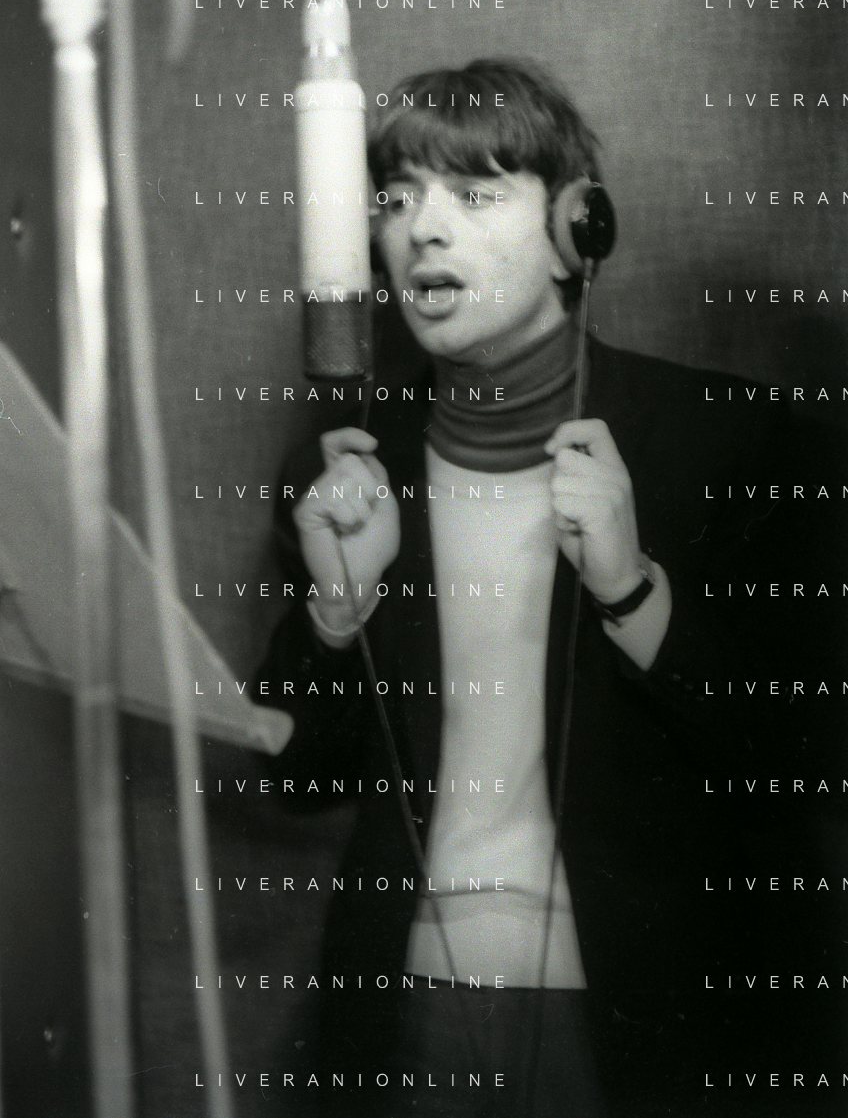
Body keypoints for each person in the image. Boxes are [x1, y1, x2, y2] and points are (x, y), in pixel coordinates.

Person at [255, 59, 800, 1117]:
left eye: (472, 193)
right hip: (407, 1004)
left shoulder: (726, 438)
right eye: (397, 198)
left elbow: (796, 760)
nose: (421, 230)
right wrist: (337, 612)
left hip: (645, 1019)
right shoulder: (348, 469)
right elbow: (295, 773)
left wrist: (633, 592)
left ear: (572, 230)